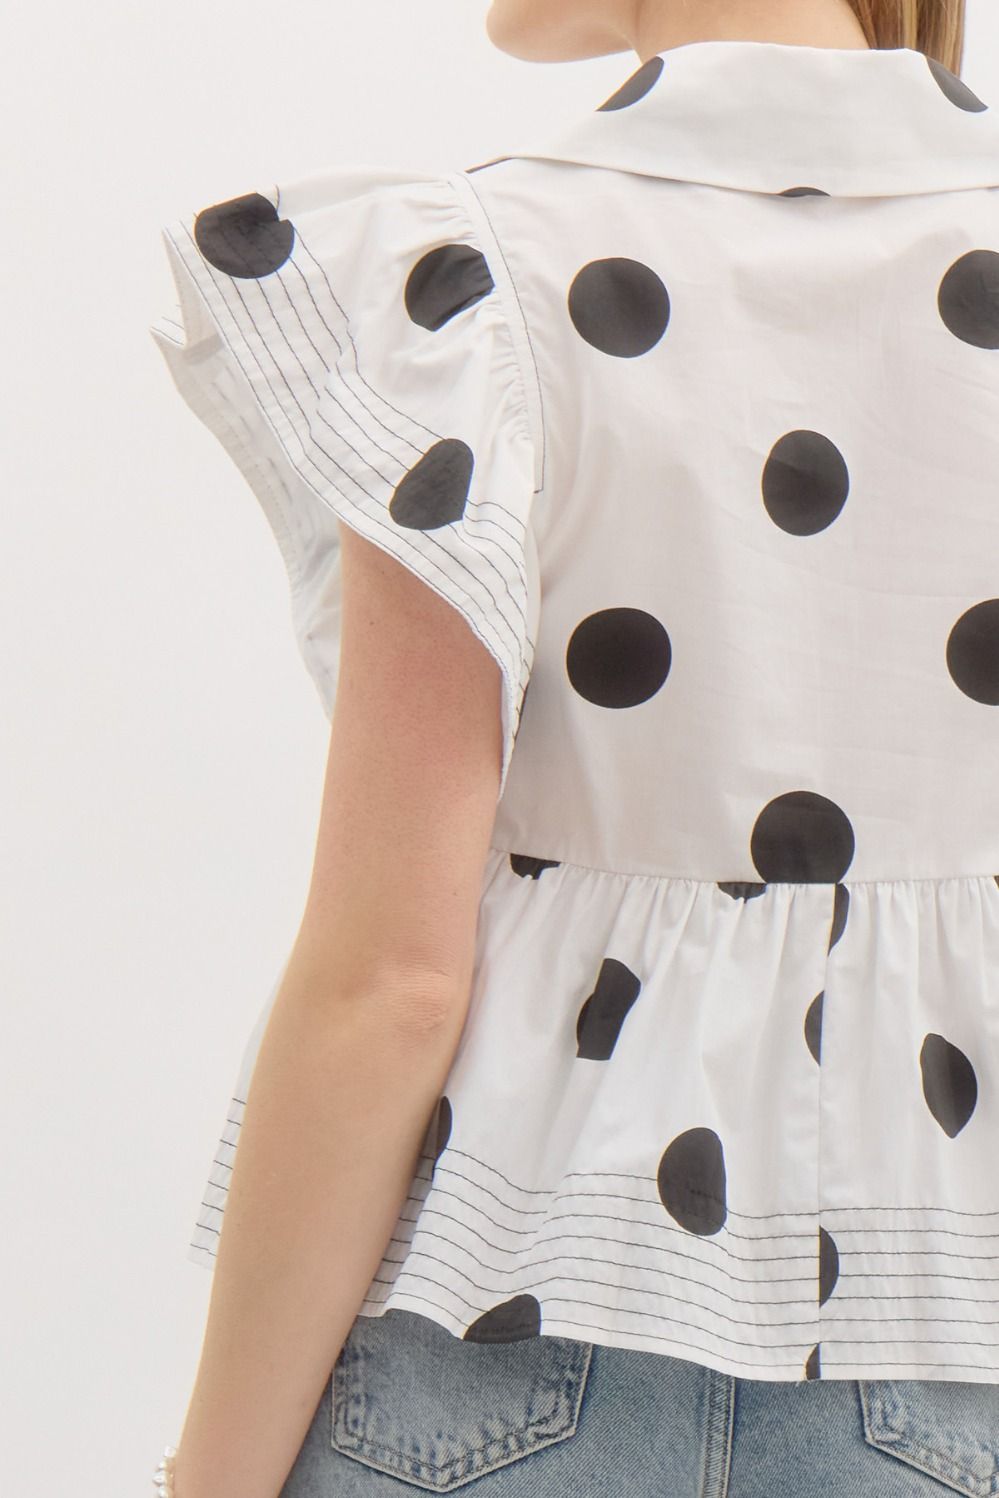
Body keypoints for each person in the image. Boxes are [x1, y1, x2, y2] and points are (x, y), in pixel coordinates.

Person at [149, 2, 999, 1495]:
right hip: (948, 1350)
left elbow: (392, 984)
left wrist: (207, 1479)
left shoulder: (472, 290)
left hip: (493, 1357)